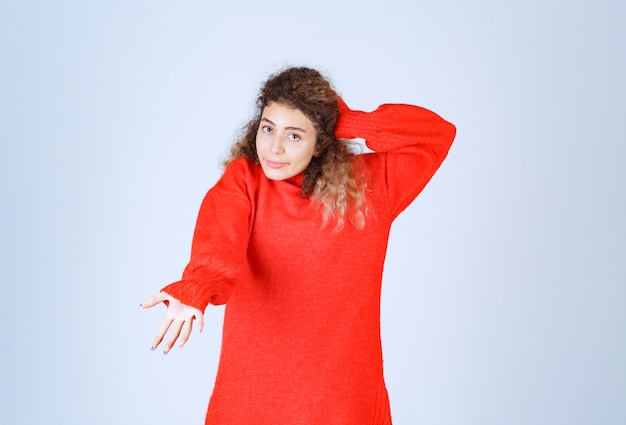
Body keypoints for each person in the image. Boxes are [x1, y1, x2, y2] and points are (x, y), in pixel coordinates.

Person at [141, 66, 456, 424]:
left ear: (322, 140)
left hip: (343, 399)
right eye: (267, 128)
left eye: (294, 135)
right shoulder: (244, 181)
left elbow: (436, 134)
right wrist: (196, 286)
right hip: (254, 398)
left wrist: (348, 121)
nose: (273, 148)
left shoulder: (370, 187)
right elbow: (219, 241)